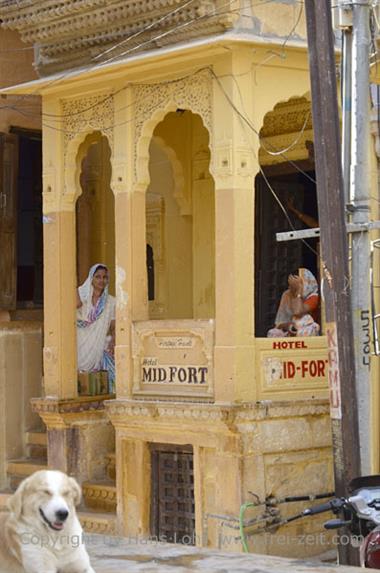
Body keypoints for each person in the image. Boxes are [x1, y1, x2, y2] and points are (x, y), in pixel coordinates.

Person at [77, 263, 115, 391]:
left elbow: (115, 327)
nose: (101, 280)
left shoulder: (111, 302)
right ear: (91, 279)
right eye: (97, 277)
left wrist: (113, 342)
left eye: (105, 277)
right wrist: (81, 293)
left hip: (98, 348)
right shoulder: (83, 298)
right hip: (81, 345)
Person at [267, 268, 320, 337]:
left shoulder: (314, 297)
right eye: (291, 285)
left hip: (307, 330)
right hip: (290, 330)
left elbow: (298, 312)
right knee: (272, 333)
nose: (291, 287)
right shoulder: (287, 294)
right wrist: (289, 326)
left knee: (303, 326)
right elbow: (280, 323)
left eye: (295, 284)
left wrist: (298, 292)